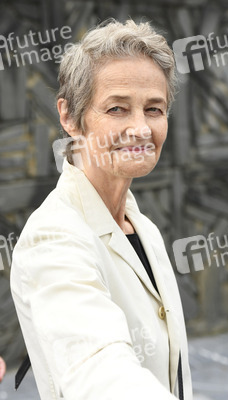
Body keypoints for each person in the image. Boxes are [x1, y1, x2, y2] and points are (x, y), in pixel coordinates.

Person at [11, 19, 193, 400]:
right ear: (69, 117)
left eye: (154, 109)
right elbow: (98, 370)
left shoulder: (142, 227)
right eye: (117, 109)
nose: (141, 128)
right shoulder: (54, 238)